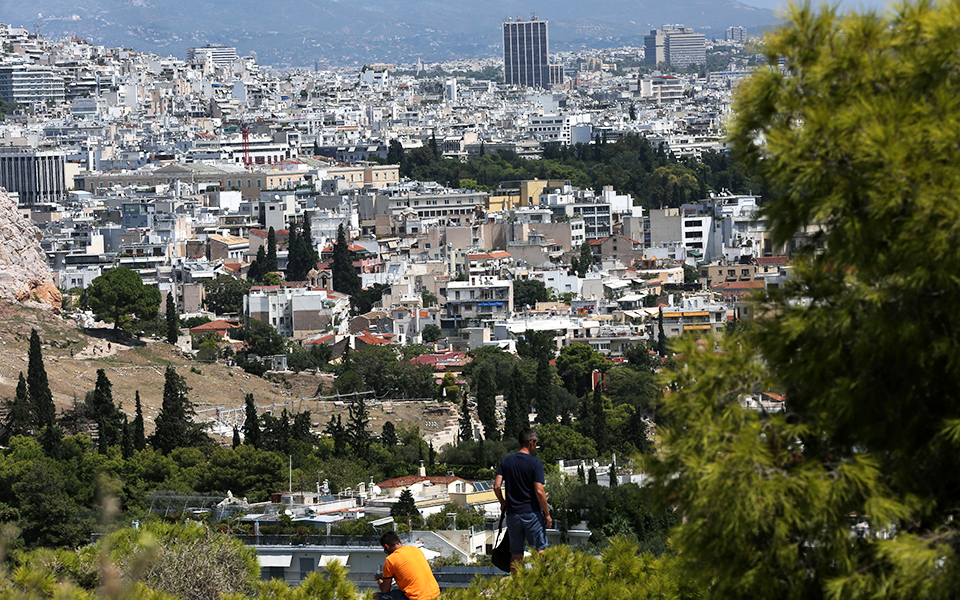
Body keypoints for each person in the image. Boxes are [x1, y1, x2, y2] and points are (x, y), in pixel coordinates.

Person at [494, 426, 552, 575]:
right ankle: (541, 581)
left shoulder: (506, 461)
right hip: (531, 513)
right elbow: (539, 491)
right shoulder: (535, 463)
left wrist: (503, 503)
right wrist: (547, 514)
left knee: (515, 553)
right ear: (531, 442)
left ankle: (517, 587)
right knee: (539, 550)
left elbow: (496, 486)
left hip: (513, 515)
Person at [375, 531, 440, 600]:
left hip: (416, 598)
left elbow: (385, 590)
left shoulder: (390, 560)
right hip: (434, 594)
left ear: (387, 546)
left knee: (376, 596)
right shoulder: (416, 550)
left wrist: (379, 580)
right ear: (400, 542)